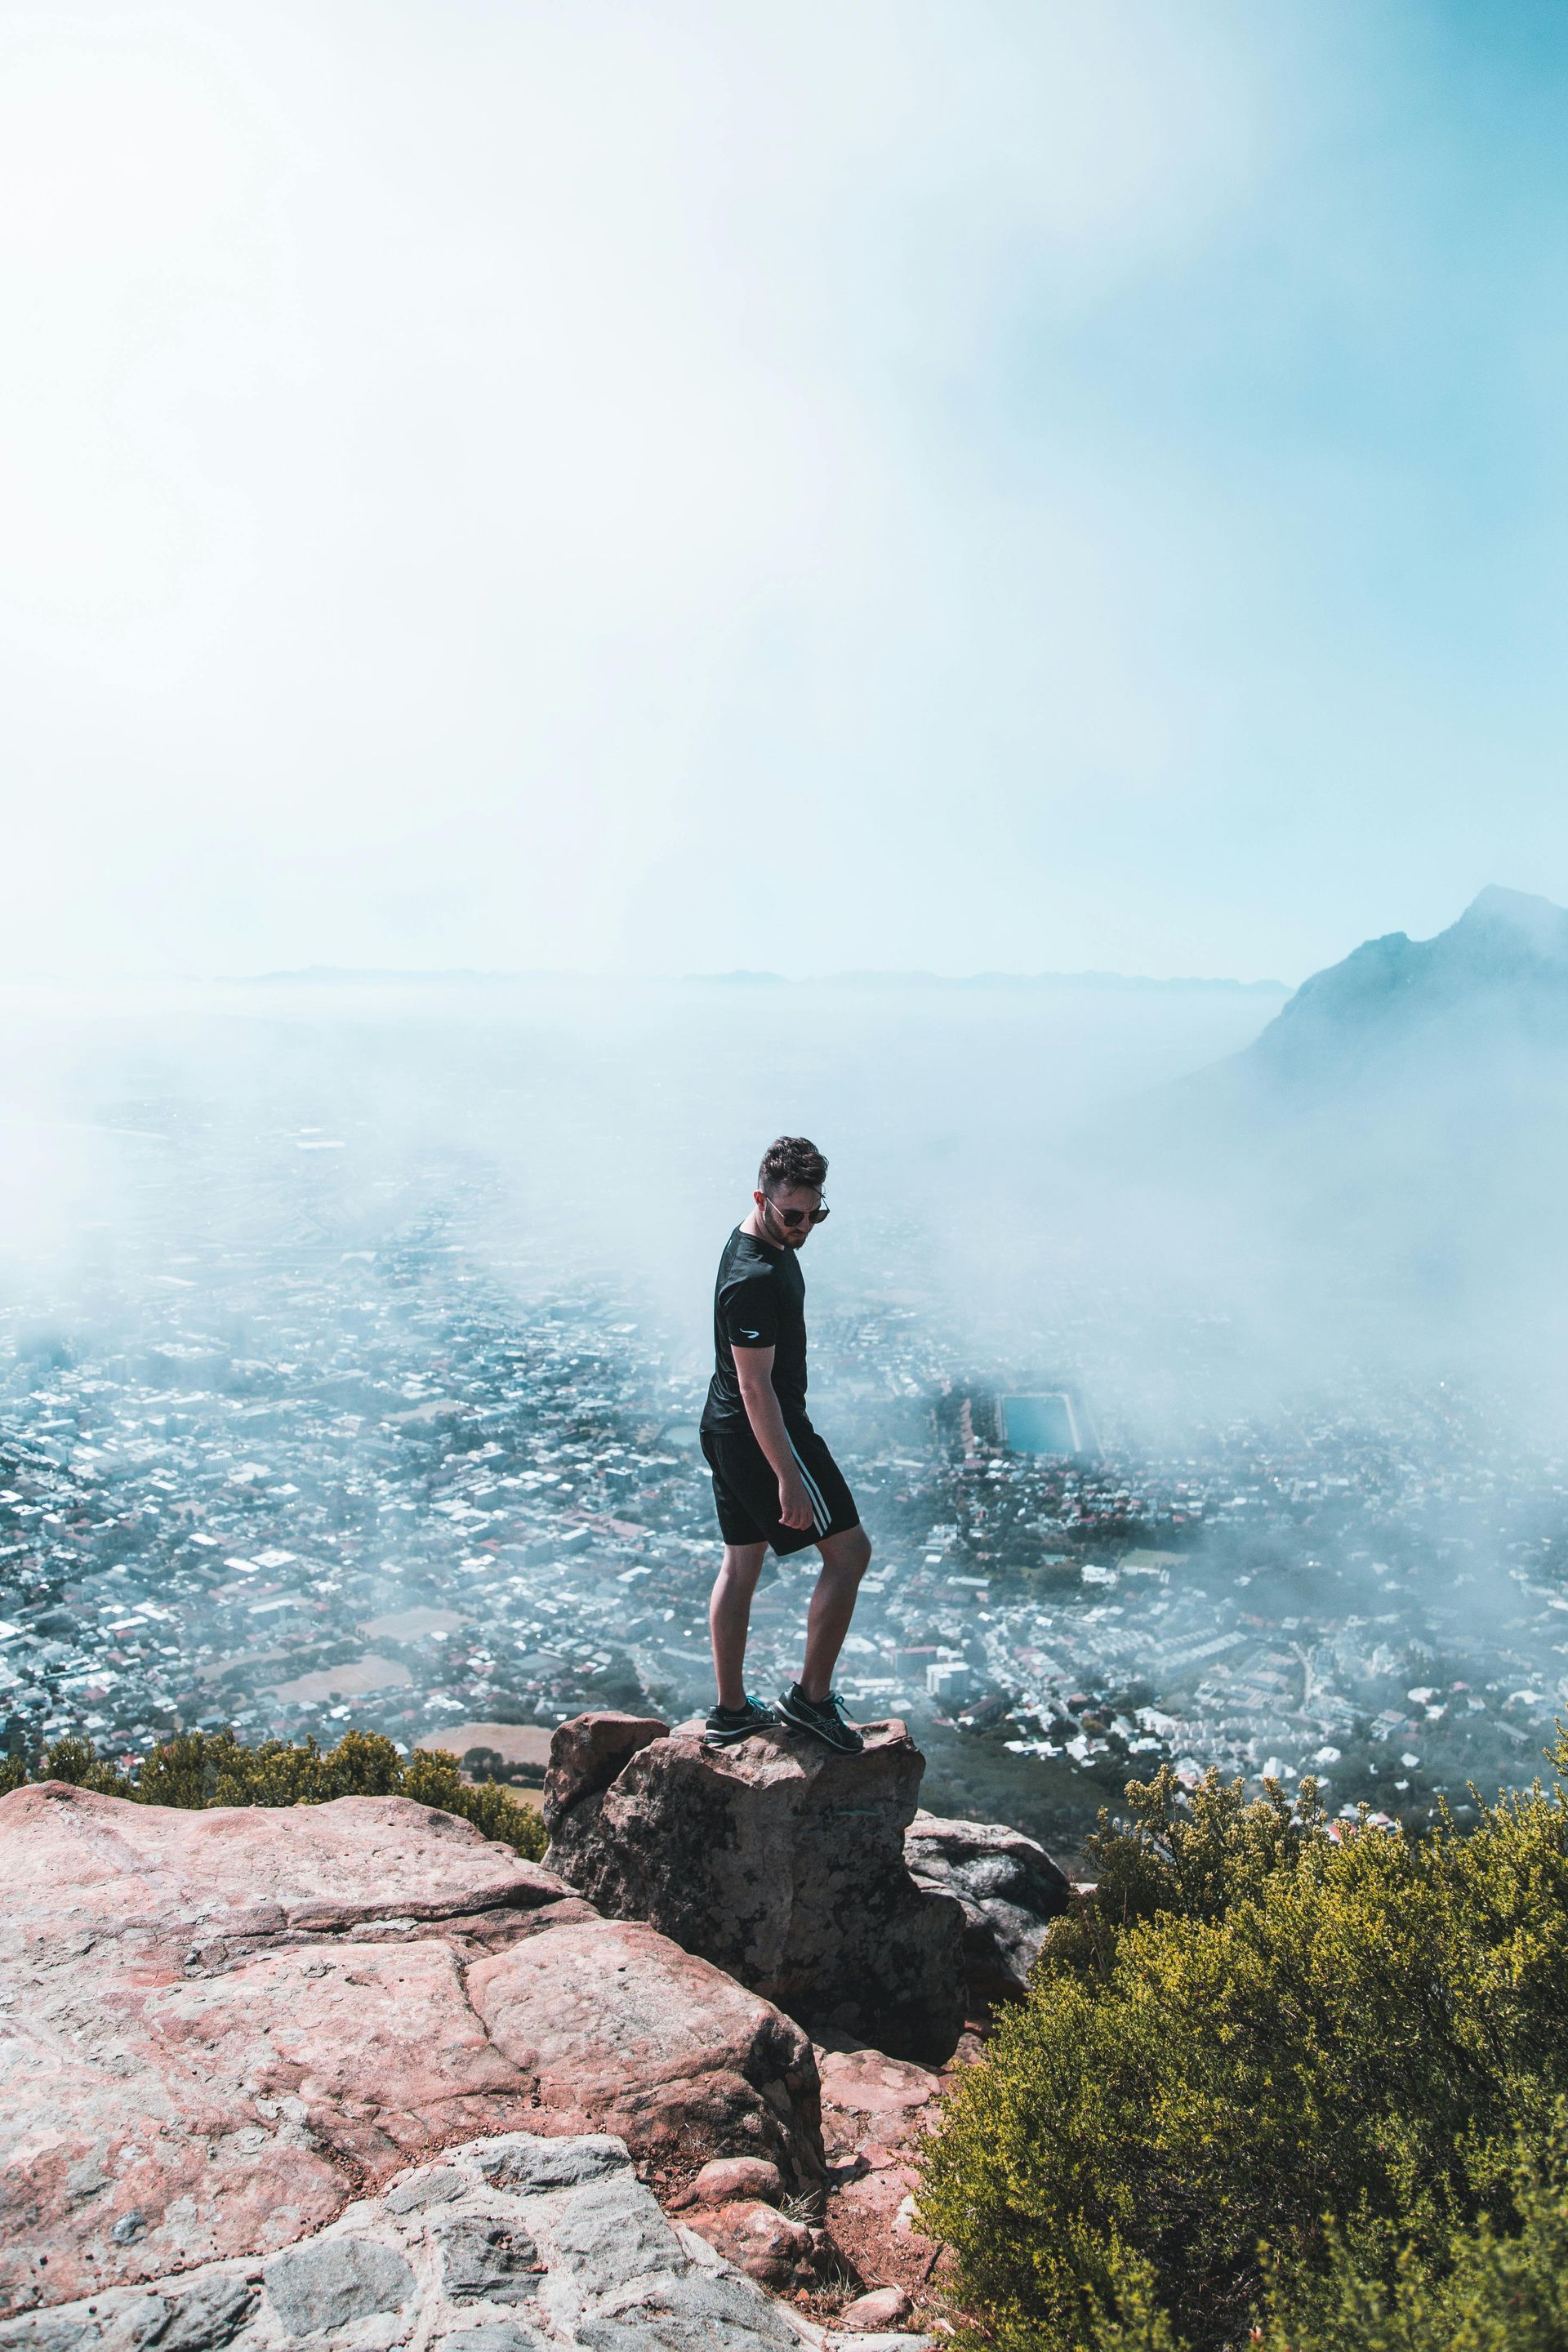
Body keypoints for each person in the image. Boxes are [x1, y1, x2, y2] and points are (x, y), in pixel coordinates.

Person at [699, 1134, 871, 1753]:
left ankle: (729, 1712)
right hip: (760, 1431)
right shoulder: (754, 1276)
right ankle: (812, 1701)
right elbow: (755, 1387)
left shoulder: (762, 1238)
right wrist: (788, 1477)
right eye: (792, 1214)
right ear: (760, 1199)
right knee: (850, 1556)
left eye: (814, 1213)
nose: (804, 1226)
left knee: (741, 1565)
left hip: (724, 1428)